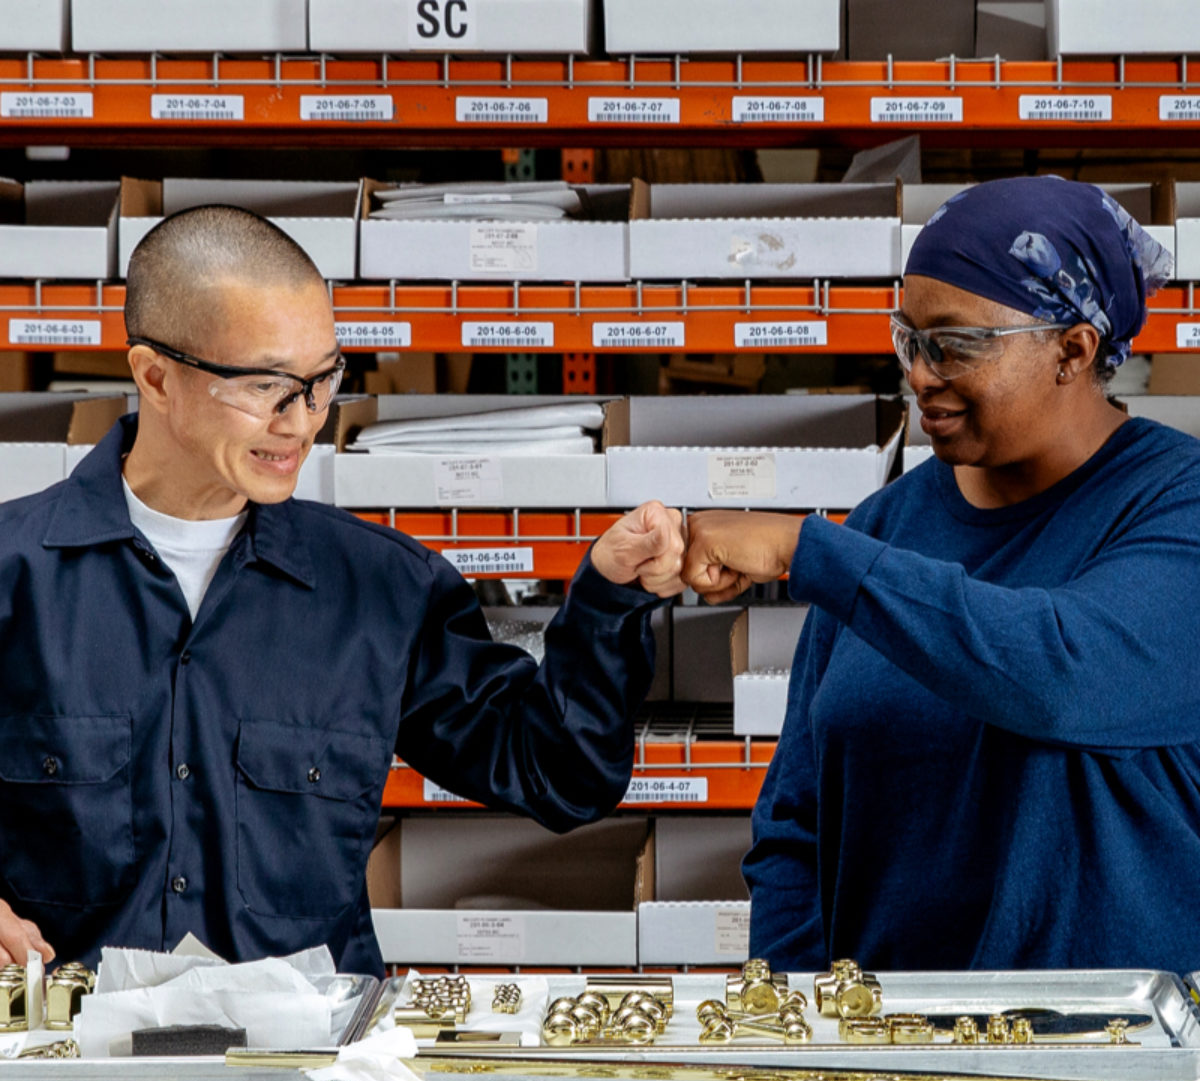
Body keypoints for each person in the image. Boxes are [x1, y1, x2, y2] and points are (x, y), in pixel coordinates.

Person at [0, 205, 685, 976]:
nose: (304, 424)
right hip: (65, 1064)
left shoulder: (381, 589)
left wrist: (605, 598)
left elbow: (561, 776)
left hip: (311, 1067)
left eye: (323, 381)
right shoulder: (11, 575)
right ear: (155, 377)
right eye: (266, 386)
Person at [683, 174, 1200, 974]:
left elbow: (1062, 674)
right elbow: (796, 822)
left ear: (1073, 348)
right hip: (891, 1067)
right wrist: (793, 1022)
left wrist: (804, 550)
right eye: (909, 340)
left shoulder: (1175, 504)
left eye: (956, 346)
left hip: (1111, 1070)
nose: (921, 375)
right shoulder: (888, 525)